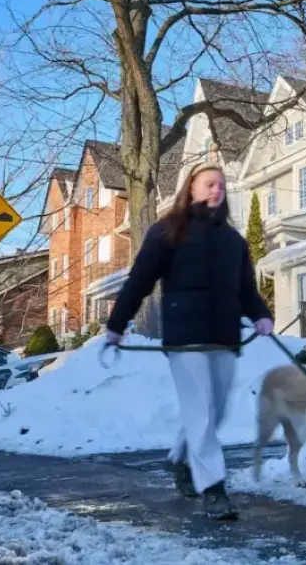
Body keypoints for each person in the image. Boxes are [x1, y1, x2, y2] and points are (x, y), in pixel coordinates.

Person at [104, 161, 274, 520]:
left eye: (221, 185)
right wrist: (117, 323)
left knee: (216, 412)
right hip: (185, 338)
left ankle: (182, 456)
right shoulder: (167, 231)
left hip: (224, 337)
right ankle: (213, 488)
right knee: (201, 412)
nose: (216, 190)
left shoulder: (234, 241)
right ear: (191, 188)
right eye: (209, 183)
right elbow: (139, 280)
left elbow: (246, 289)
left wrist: (261, 314)